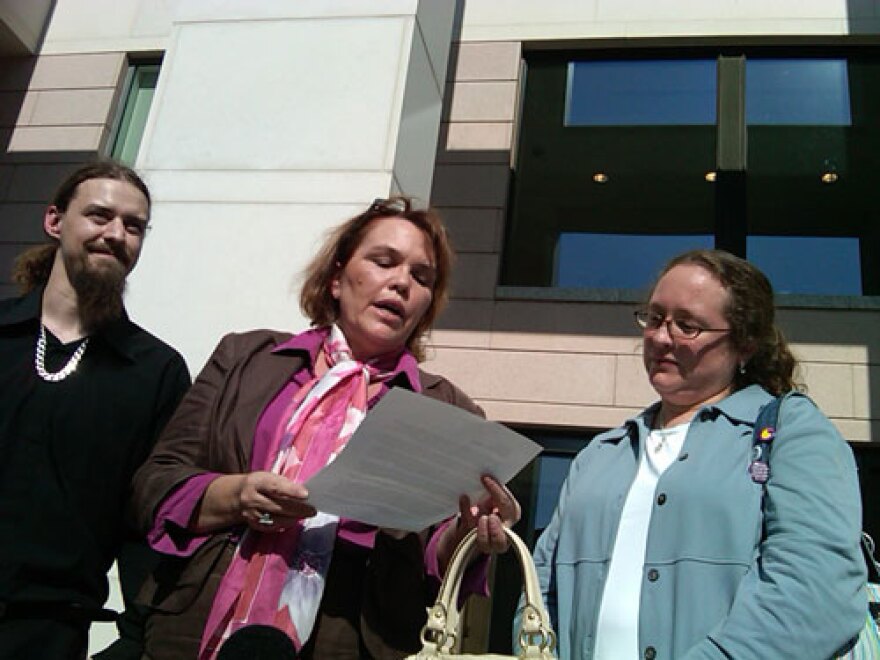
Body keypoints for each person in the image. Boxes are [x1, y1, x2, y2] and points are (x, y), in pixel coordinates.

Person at [131, 197, 520, 659]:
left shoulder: (447, 409)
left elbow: (436, 557)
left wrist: (468, 534)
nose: (401, 283)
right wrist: (236, 496)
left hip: (353, 639)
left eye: (421, 278)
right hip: (196, 628)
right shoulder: (244, 358)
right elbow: (156, 486)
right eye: (384, 262)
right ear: (336, 278)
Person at [525, 249, 866, 659]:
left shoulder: (791, 432)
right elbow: (540, 589)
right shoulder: (602, 454)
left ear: (745, 344)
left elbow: (814, 592)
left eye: (687, 326)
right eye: (654, 318)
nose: (660, 337)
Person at [0, 161, 191, 659]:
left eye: (133, 226)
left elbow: (147, 519)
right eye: (99, 215)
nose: (115, 234)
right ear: (55, 221)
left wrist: (135, 639)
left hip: (47, 632)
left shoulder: (155, 372)